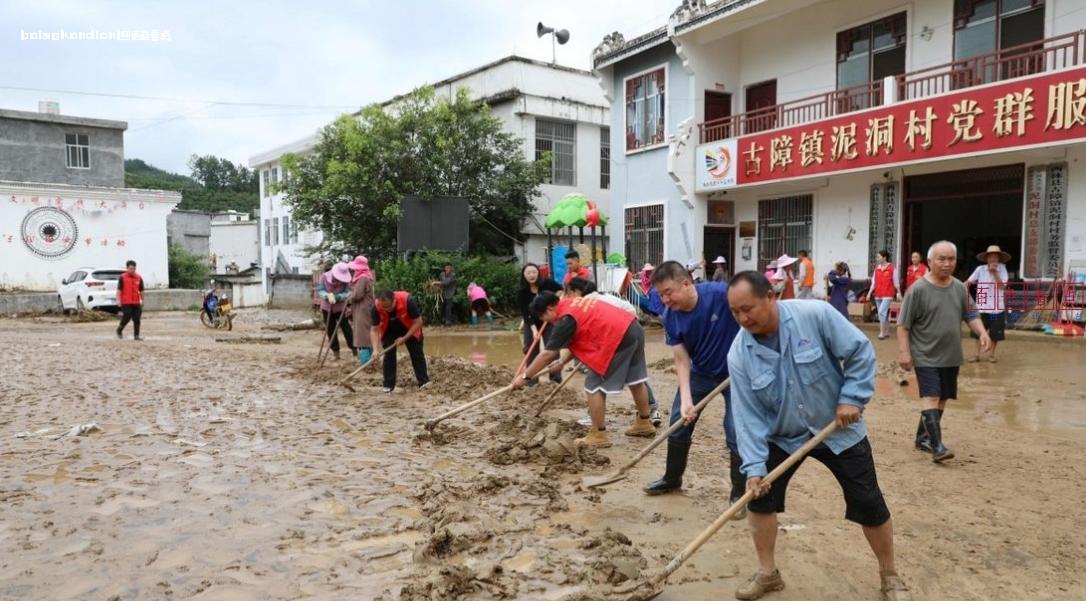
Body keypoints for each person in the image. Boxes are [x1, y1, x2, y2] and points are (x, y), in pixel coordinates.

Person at [726, 271, 909, 601]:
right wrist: (754, 469)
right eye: (735, 312)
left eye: (748, 308)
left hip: (837, 427)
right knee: (760, 501)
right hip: (780, 436)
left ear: (771, 296)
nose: (742, 318)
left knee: (869, 502)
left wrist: (852, 397)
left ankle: (889, 575)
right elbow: (747, 417)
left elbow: (860, 352)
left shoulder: (816, 315)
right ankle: (768, 574)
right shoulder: (739, 355)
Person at [644, 262, 744, 510]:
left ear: (686, 284)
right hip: (701, 373)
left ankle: (740, 494)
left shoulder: (722, 295)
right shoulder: (670, 317)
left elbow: (751, 320)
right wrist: (687, 399)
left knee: (736, 430)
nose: (665, 300)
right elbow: (681, 359)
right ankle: (672, 478)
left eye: (669, 292)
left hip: (737, 375)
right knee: (679, 421)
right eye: (661, 295)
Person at [513, 290, 657, 447]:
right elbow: (577, 337)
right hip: (633, 328)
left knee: (593, 386)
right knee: (635, 379)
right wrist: (562, 360)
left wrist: (525, 377)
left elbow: (547, 353)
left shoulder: (565, 319)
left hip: (617, 336)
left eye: (543, 318)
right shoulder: (572, 302)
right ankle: (644, 423)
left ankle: (598, 434)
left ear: (549, 309)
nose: (545, 322)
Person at [898, 241, 991, 462]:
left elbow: (971, 314)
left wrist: (982, 333)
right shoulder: (918, 290)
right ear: (929, 262)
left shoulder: (959, 287)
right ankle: (937, 446)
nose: (947, 263)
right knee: (931, 395)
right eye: (942, 259)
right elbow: (903, 325)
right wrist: (905, 353)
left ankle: (923, 437)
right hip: (925, 354)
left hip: (950, 355)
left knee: (942, 398)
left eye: (951, 259)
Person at [566, 277, 661, 426]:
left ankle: (595, 419)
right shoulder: (601, 296)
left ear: (577, 291)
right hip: (632, 331)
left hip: (620, 335)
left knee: (595, 381)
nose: (569, 298)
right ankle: (651, 411)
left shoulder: (589, 302)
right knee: (635, 375)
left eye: (569, 294)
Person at [370, 288, 430, 393]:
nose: (387, 309)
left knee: (416, 352)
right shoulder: (376, 307)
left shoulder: (408, 300)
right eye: (384, 307)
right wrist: (375, 350)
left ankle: (424, 383)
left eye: (389, 306)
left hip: (410, 326)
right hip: (389, 329)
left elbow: (418, 322)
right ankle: (388, 386)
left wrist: (405, 338)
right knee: (389, 354)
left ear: (394, 300)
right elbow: (374, 330)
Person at [517, 263, 563, 385]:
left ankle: (555, 379)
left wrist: (558, 295)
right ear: (524, 276)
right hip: (531, 322)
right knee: (530, 350)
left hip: (548, 321)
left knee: (552, 348)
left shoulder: (547, 283)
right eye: (528, 273)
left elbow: (561, 290)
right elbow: (525, 313)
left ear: (538, 273)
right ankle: (531, 381)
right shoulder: (522, 292)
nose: (531, 275)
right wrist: (534, 330)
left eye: (534, 272)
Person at [966, 245, 1010, 363]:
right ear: (987, 258)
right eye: (990, 256)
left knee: (995, 332)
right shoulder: (980, 269)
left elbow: (1002, 286)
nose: (993, 259)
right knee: (978, 332)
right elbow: (969, 282)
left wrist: (994, 272)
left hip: (996, 308)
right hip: (981, 307)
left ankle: (992, 355)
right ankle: (976, 354)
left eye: (995, 256)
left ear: (999, 258)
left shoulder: (1003, 269)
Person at [318, 262, 356, 360]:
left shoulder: (346, 280)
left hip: (340, 307)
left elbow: (348, 291)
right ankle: (336, 352)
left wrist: (339, 297)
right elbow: (320, 290)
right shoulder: (324, 277)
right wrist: (326, 296)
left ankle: (354, 348)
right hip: (327, 307)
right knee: (330, 329)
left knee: (346, 328)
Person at [347, 255, 376, 365]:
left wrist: (349, 298)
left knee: (362, 336)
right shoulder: (366, 277)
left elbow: (357, 295)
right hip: (364, 309)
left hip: (363, 310)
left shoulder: (363, 278)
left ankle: (366, 363)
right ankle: (370, 361)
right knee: (366, 335)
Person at [866, 250, 901, 340]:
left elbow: (896, 282)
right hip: (878, 294)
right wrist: (869, 293)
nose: (877, 258)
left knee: (881, 312)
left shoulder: (892, 268)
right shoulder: (877, 269)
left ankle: (881, 332)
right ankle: (887, 331)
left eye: (879, 257)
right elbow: (873, 282)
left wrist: (899, 293)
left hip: (888, 294)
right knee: (883, 313)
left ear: (884, 257)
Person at [116, 260, 144, 340]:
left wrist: (142, 300)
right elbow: (119, 290)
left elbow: (141, 290)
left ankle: (136, 336)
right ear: (127, 268)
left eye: (134, 269)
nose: (132, 270)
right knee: (127, 316)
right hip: (126, 301)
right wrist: (118, 300)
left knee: (137, 319)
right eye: (131, 268)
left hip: (136, 301)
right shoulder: (122, 277)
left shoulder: (139, 277)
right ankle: (119, 330)